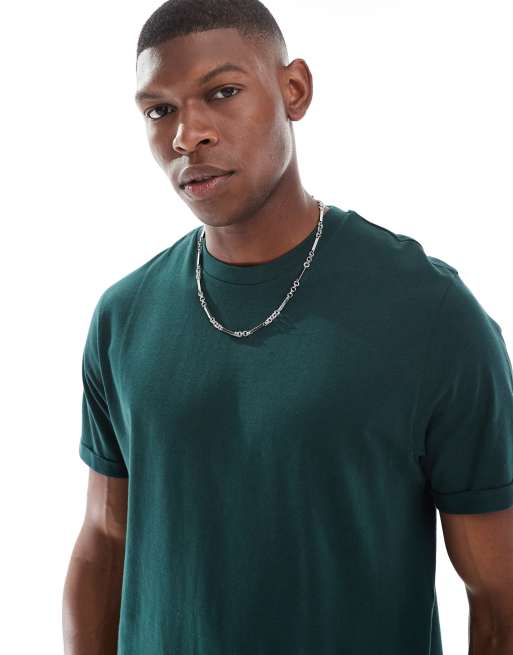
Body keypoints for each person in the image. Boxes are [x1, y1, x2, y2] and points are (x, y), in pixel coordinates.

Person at [62, 1, 513, 653]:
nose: (188, 135)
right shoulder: (123, 316)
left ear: (293, 89)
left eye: (222, 92)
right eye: (159, 110)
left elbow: (499, 595)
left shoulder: (429, 314)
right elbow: (104, 539)